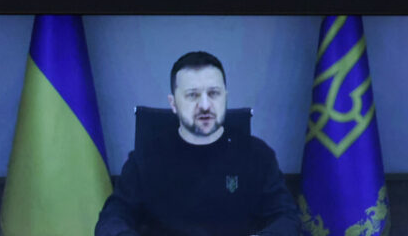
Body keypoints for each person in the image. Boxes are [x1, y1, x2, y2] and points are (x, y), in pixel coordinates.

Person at [96, 51, 300, 236]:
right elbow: (111, 220)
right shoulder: (145, 158)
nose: (205, 105)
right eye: (192, 95)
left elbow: (287, 218)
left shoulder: (257, 155)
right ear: (173, 104)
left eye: (214, 93)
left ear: (225, 97)